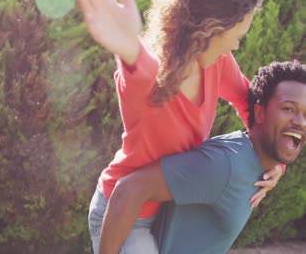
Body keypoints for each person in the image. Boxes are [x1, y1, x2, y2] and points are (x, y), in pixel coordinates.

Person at [74, 0, 284, 253]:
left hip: (171, 211)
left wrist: (273, 163)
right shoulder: (152, 78)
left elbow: (249, 104)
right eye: (237, 37)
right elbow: (138, 67)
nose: (236, 46)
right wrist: (128, 46)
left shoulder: (217, 63)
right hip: (126, 213)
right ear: (211, 27)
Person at [102, 60, 306, 254]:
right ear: (260, 114)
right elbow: (129, 188)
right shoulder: (225, 164)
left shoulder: (257, 163)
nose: (301, 123)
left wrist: (280, 166)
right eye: (288, 109)